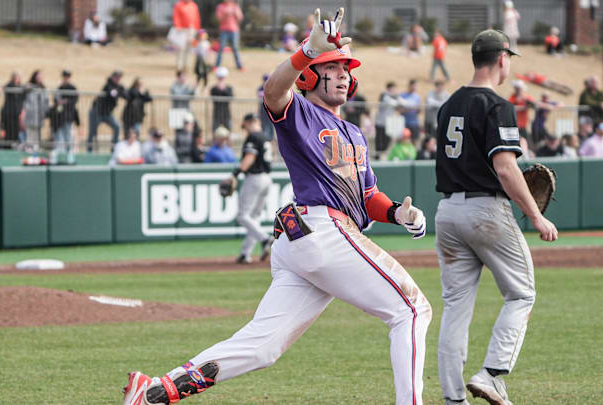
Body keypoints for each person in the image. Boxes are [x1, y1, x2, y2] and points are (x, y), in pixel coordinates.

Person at [122, 8, 431, 405]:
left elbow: (368, 196)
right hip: (323, 229)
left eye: (345, 68)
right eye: (331, 67)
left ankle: (152, 393)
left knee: (261, 346)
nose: (342, 74)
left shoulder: (354, 132)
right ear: (309, 76)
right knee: (412, 310)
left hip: (308, 239)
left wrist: (397, 213)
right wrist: (306, 50)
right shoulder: (300, 111)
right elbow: (272, 91)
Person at [435, 29, 558, 405]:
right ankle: (491, 375)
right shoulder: (497, 105)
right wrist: (535, 215)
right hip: (484, 210)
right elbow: (505, 168)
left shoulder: (448, 103)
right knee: (522, 293)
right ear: (503, 59)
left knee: (456, 306)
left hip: (447, 211)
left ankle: (454, 399)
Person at [222, 113, 275, 264]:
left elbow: (249, 158)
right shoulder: (265, 137)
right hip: (266, 178)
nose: (245, 129)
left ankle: (265, 239)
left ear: (250, 122)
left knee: (243, 216)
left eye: (245, 126)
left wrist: (235, 174)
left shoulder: (253, 137)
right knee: (254, 218)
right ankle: (245, 253)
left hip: (255, 178)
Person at [49, 70, 82, 164]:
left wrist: (66, 102)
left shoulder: (72, 88)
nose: (66, 78)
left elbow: (75, 100)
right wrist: (59, 102)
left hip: (68, 116)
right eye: (65, 76)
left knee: (68, 136)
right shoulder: (60, 87)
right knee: (59, 137)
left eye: (67, 76)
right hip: (60, 117)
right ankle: (58, 156)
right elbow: (56, 99)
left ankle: (69, 155)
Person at [88, 70, 125, 152]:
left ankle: (114, 148)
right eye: (116, 77)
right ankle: (89, 151)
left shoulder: (119, 87)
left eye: (119, 78)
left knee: (117, 127)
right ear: (112, 77)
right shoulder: (108, 85)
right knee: (92, 132)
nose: (118, 79)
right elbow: (112, 94)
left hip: (107, 114)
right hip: (96, 112)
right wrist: (119, 92)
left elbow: (125, 94)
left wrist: (119, 92)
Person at [21, 70, 50, 151]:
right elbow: (22, 89)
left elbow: (46, 101)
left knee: (37, 134)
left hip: (39, 115)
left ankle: (36, 149)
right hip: (30, 114)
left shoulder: (43, 88)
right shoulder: (29, 86)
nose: (40, 78)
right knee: (30, 133)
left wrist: (46, 111)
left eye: (41, 76)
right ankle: (29, 149)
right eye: (38, 76)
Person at [214, 0, 244, 71]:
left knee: (235, 48)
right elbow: (219, 19)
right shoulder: (220, 7)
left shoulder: (235, 6)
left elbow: (240, 18)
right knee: (221, 48)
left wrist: (236, 13)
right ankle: (216, 65)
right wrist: (226, 15)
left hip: (234, 30)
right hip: (224, 30)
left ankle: (239, 66)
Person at [375, 81, 401, 158]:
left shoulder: (395, 96)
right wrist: (398, 102)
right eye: (393, 88)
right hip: (380, 122)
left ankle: (382, 155)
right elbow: (391, 102)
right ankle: (378, 157)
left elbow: (402, 102)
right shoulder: (384, 95)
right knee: (379, 142)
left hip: (388, 123)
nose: (394, 90)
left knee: (387, 141)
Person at [172, 0, 201, 72]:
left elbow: (197, 17)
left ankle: (187, 65)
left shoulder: (194, 5)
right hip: (182, 29)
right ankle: (179, 66)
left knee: (189, 48)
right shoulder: (179, 4)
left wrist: (197, 29)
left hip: (192, 29)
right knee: (181, 48)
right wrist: (178, 26)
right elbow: (176, 16)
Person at [0, 72, 25, 149]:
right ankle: (7, 146)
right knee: (8, 131)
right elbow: (6, 87)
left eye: (18, 78)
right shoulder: (10, 85)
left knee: (15, 131)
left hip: (16, 114)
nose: (17, 79)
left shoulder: (20, 88)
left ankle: (14, 145)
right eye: (16, 78)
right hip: (8, 113)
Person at [508, 80, 534, 145]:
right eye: (516, 88)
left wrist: (525, 101)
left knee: (526, 142)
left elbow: (533, 105)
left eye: (518, 88)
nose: (516, 89)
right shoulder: (513, 97)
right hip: (514, 123)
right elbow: (510, 107)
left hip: (523, 124)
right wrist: (522, 107)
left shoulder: (526, 97)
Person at [210, 67, 233, 131]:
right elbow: (213, 97)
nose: (221, 79)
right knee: (215, 131)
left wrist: (224, 89)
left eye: (222, 78)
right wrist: (218, 88)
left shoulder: (229, 88)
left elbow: (230, 97)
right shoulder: (214, 89)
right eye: (220, 78)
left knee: (228, 131)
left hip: (226, 114)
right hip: (216, 114)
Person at [257, 73, 275, 140]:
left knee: (271, 127)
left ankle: (271, 139)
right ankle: (266, 140)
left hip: (271, 110)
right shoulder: (260, 88)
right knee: (264, 126)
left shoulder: (273, 88)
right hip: (263, 110)